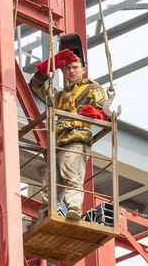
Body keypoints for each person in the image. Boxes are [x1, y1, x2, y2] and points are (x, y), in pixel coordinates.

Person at [29, 48, 107, 220]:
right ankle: (47, 215)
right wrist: (49, 66)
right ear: (62, 71)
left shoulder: (92, 88)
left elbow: (105, 110)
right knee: (51, 185)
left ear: (83, 69)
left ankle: (73, 209)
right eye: (67, 68)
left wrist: (96, 114)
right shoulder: (60, 96)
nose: (71, 71)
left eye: (75, 67)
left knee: (71, 176)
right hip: (57, 143)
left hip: (76, 139)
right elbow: (35, 85)